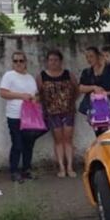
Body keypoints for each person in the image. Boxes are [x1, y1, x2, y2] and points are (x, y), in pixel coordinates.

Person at [0, 51, 39, 182]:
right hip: (15, 115)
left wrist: (34, 99)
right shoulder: (9, 76)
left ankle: (26, 169)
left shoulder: (30, 78)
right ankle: (14, 171)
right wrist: (22, 96)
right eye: (15, 61)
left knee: (29, 144)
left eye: (21, 61)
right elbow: (3, 93)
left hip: (29, 116)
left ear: (25, 62)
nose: (18, 64)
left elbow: (36, 94)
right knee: (17, 144)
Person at [37, 49, 79, 178]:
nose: (53, 62)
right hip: (52, 112)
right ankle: (61, 167)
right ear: (47, 62)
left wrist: (71, 102)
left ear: (60, 61)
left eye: (56, 60)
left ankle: (70, 167)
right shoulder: (42, 76)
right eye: (51, 60)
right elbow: (39, 93)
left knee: (68, 138)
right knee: (58, 140)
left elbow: (77, 89)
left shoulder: (68, 74)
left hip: (68, 111)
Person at [79, 46, 110, 139]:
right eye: (87, 57)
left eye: (91, 56)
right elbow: (80, 88)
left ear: (98, 56)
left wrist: (105, 93)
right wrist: (93, 87)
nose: (89, 59)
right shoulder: (87, 72)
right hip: (95, 110)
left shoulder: (109, 70)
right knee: (99, 136)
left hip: (109, 107)